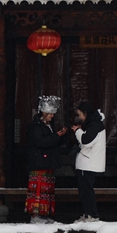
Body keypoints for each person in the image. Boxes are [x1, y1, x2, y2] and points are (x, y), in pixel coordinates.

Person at [25, 95, 69, 224]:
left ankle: (43, 214)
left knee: (46, 189)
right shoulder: (35, 126)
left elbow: (51, 142)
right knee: (39, 188)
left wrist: (61, 137)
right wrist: (56, 136)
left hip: (47, 162)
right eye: (50, 113)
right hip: (39, 162)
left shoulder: (48, 125)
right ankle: (36, 214)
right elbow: (40, 142)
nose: (52, 116)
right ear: (44, 112)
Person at [71, 101, 106, 222]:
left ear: (85, 113)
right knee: (85, 190)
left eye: (80, 114)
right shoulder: (95, 124)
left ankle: (92, 215)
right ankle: (87, 214)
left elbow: (86, 141)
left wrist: (77, 131)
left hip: (88, 164)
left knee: (86, 191)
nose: (79, 117)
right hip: (88, 163)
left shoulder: (94, 125)